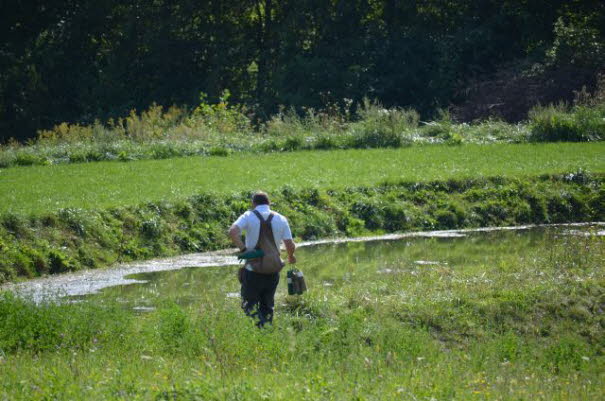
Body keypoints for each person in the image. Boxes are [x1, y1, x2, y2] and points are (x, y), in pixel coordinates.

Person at [228, 191, 296, 327]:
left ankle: (259, 332)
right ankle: (266, 331)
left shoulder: (248, 216)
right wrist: (290, 256)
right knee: (268, 306)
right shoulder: (281, 219)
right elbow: (289, 244)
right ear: (269, 203)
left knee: (249, 305)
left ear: (253, 203)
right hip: (273, 271)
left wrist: (244, 250)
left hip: (252, 270)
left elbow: (232, 232)